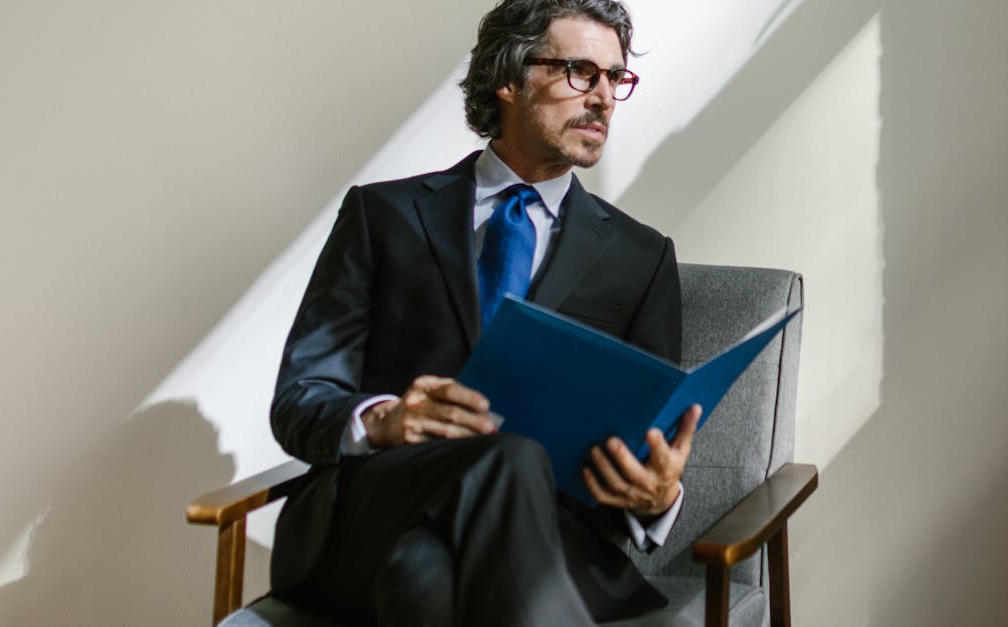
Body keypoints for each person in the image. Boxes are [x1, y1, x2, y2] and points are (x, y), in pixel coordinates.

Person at [269, 1, 701, 624]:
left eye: (615, 78)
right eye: (581, 71)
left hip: (541, 535)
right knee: (510, 457)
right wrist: (385, 420)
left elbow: (647, 433)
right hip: (377, 507)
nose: (604, 97)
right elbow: (301, 398)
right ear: (509, 76)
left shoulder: (642, 257)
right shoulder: (383, 215)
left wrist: (657, 498)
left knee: (424, 576)